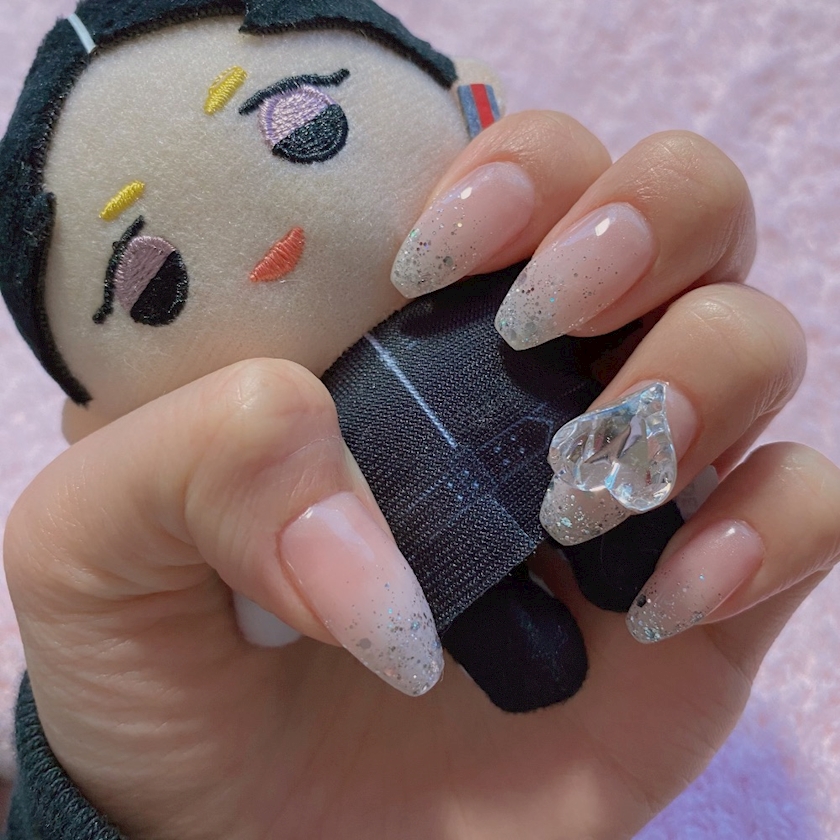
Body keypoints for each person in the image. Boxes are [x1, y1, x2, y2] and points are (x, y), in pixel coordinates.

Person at [2, 0, 840, 837]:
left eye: (307, 127)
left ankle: (627, 556)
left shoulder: (504, 295)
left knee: (627, 537)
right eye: (155, 285)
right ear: (90, 427)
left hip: (546, 434)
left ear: (468, 99)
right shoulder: (289, 468)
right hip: (424, 550)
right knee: (503, 638)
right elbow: (265, 609)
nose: (272, 248)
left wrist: (613, 316)